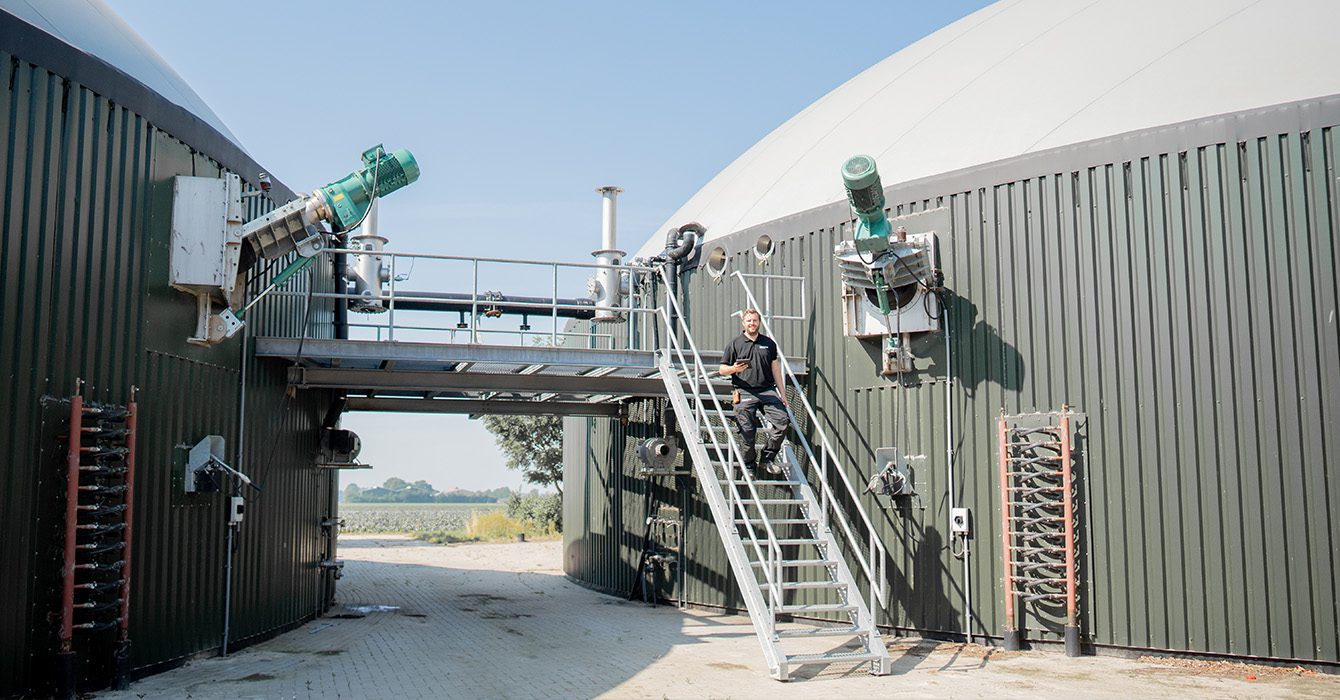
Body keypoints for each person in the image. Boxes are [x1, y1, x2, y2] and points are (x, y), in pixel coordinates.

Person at [718, 308, 789, 475]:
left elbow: (775, 370)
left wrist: (783, 394)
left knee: (782, 422)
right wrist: (734, 368)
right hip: (744, 391)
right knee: (747, 431)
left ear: (759, 322)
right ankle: (749, 465)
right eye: (749, 321)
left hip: (767, 391)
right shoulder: (735, 344)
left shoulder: (769, 343)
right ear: (744, 323)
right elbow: (722, 369)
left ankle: (767, 458)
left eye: (755, 320)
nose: (752, 323)